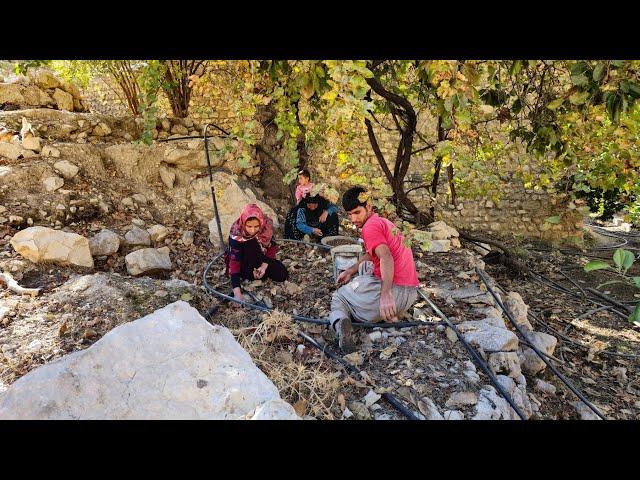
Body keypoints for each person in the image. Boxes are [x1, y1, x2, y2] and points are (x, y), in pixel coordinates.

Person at [329, 186, 419, 352]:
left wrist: (386, 295)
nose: (353, 218)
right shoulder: (383, 222)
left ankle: (340, 323)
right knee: (365, 266)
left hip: (393, 295)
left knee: (339, 297)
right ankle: (389, 315)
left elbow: (386, 257)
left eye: (357, 212)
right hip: (410, 293)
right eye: (349, 214)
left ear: (368, 207)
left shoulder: (370, 228)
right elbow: (374, 254)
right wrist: (350, 270)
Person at [225, 204, 288, 303]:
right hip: (244, 264)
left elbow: (272, 247)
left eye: (256, 226)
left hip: (260, 260)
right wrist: (237, 292)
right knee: (251, 243)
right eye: (249, 226)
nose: (253, 230)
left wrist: (263, 267)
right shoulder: (236, 233)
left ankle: (259, 272)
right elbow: (234, 262)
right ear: (243, 222)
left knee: (282, 274)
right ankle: (251, 274)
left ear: (261, 222)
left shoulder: (266, 226)